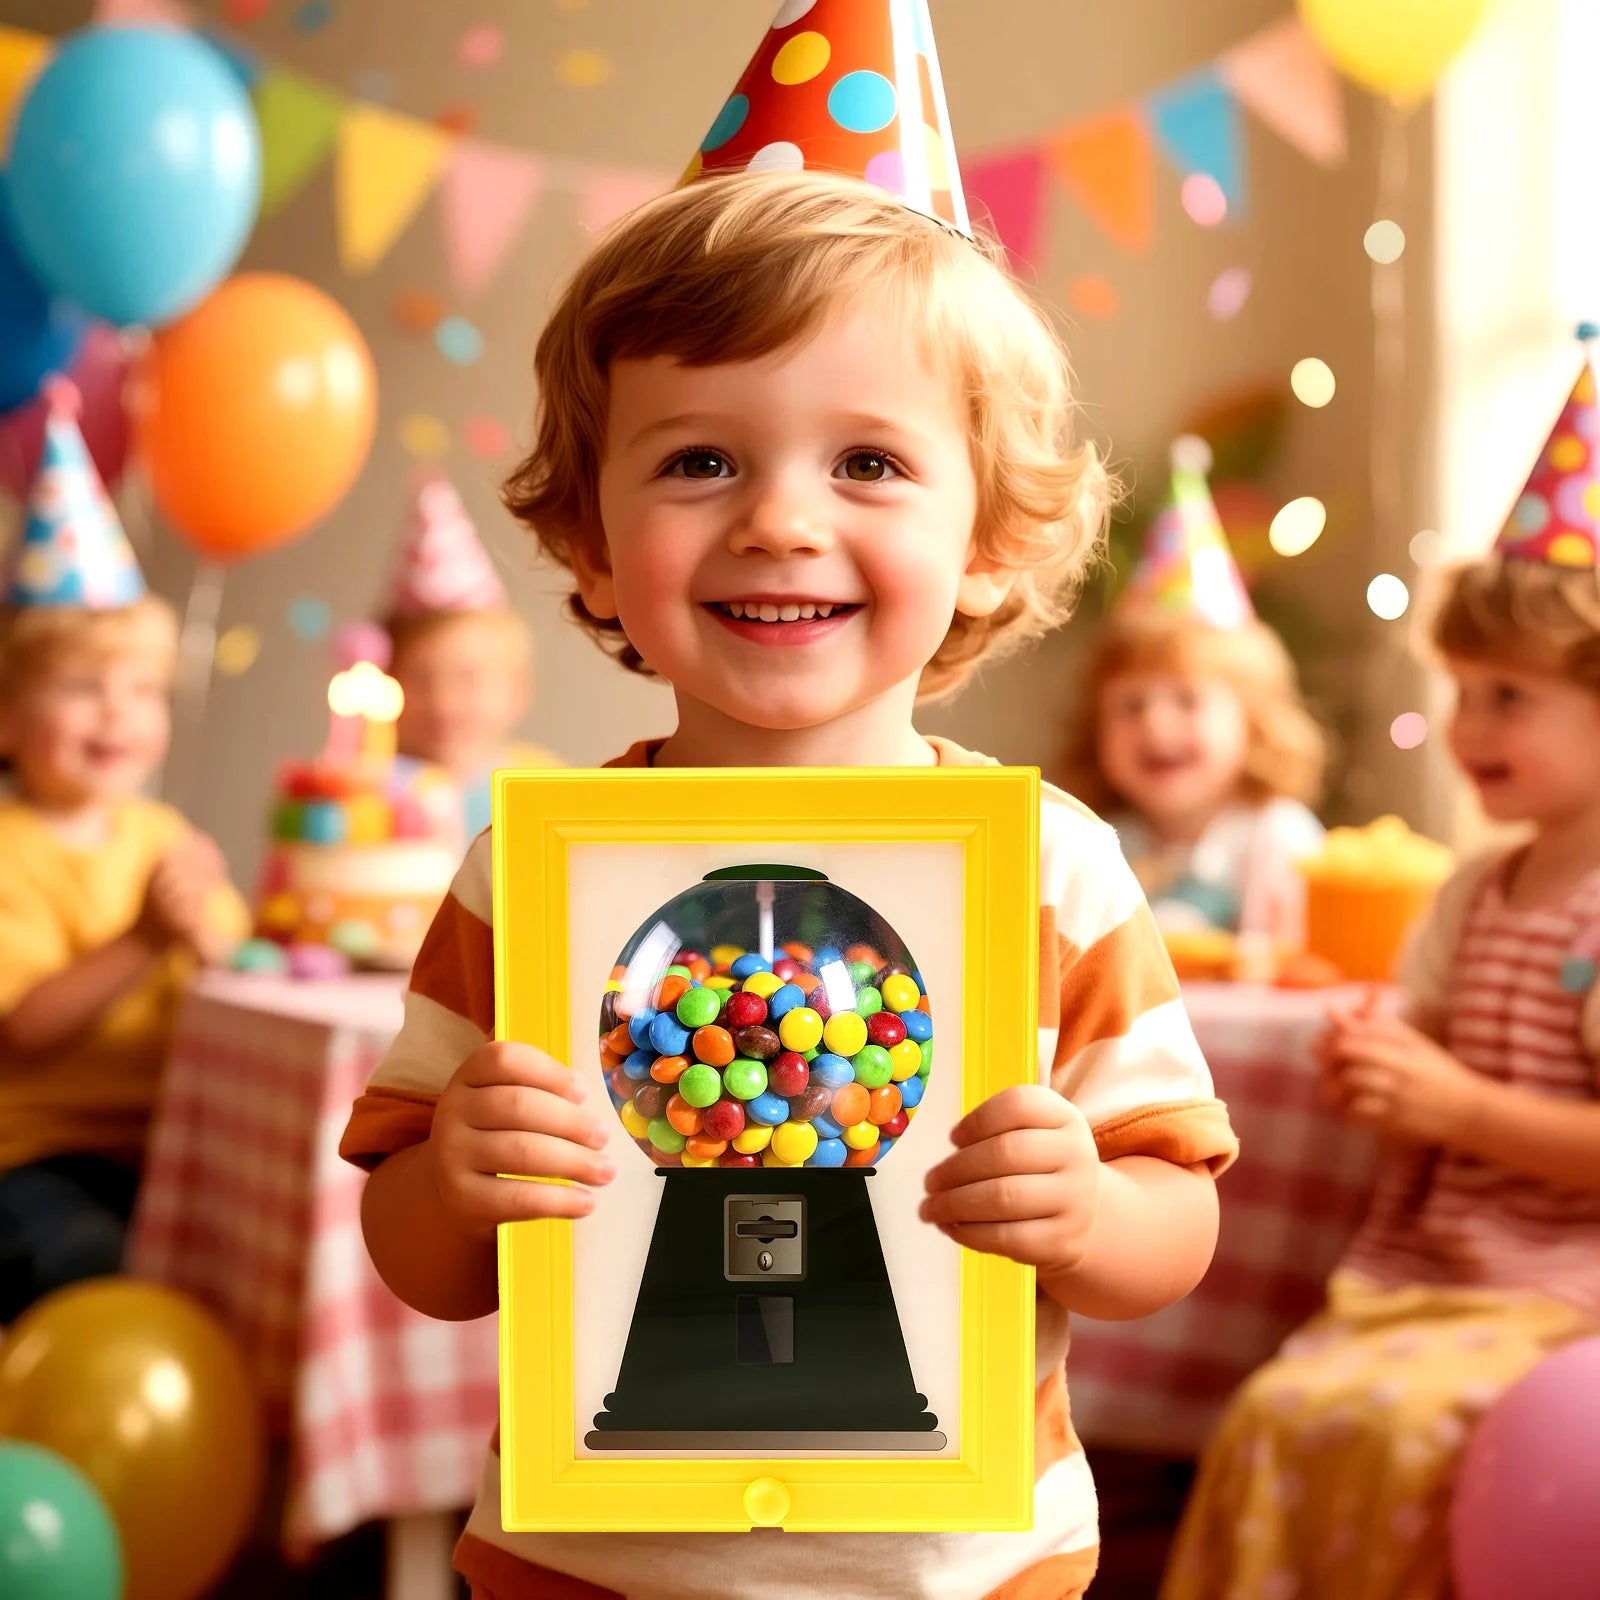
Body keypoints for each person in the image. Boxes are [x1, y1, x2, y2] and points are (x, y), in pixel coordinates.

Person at [341, 7, 1237, 1596]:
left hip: (963, 1564)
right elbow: (423, 1266)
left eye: (870, 465)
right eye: (698, 463)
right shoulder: (523, 881)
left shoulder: (1055, 868)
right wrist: (453, 1179)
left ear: (987, 534)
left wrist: (1090, 1209)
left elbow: (1175, 1223)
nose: (778, 522)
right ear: (595, 537)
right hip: (585, 1557)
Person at [1160, 328, 1600, 1600]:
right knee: (1274, 1414)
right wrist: (1379, 1053)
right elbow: (1424, 1022)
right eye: (1460, 692)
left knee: (1407, 1441)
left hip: (1567, 1292)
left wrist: (1456, 1105)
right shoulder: (1478, 885)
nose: (1466, 729)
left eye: (1505, 697)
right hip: (1436, 1269)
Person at [0, 383, 246, 1323]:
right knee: (89, 1270)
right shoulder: (12, 849)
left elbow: (226, 960)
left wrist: (214, 935)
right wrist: (147, 936)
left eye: (140, 691)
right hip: (34, 1153)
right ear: (11, 722)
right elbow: (22, 1029)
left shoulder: (162, 837)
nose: (117, 712)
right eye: (82, 688)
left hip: (166, 1146)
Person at [1059, 441, 1327, 944]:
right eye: (1130, 705)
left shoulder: (1278, 840)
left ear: (1255, 721)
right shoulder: (1101, 846)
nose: (1155, 725)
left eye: (1187, 700)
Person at [384, 470, 561, 837]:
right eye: (419, 679)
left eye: (467, 678)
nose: (443, 700)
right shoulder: (366, 790)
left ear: (517, 690)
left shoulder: (542, 786)